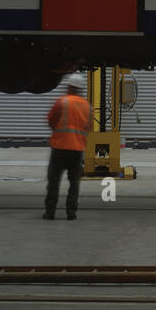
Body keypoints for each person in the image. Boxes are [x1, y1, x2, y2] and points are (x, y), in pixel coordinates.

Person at [44, 73, 92, 220]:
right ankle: (71, 213)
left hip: (60, 147)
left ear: (70, 87)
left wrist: (59, 133)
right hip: (77, 150)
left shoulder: (62, 102)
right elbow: (88, 127)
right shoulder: (87, 106)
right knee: (74, 182)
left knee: (53, 181)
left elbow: (51, 120)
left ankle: (50, 212)